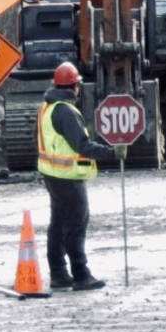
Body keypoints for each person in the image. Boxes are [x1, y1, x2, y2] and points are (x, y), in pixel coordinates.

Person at [36, 62, 118, 291]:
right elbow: (81, 145)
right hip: (67, 177)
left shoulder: (47, 107)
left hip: (53, 174)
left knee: (59, 224)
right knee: (75, 225)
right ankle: (81, 274)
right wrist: (112, 152)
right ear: (75, 86)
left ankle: (59, 274)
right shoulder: (65, 111)